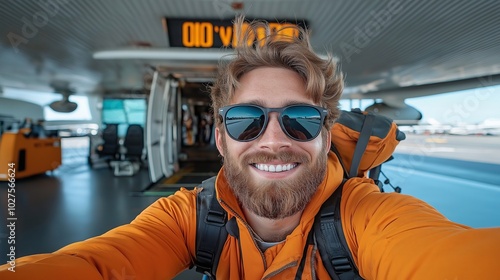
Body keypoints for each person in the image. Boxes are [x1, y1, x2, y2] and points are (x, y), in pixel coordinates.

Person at [2, 17, 500, 280]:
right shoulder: (186, 218)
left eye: (302, 120)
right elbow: (99, 265)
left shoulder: (367, 218)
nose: (275, 139)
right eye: (246, 120)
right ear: (220, 137)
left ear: (327, 136)